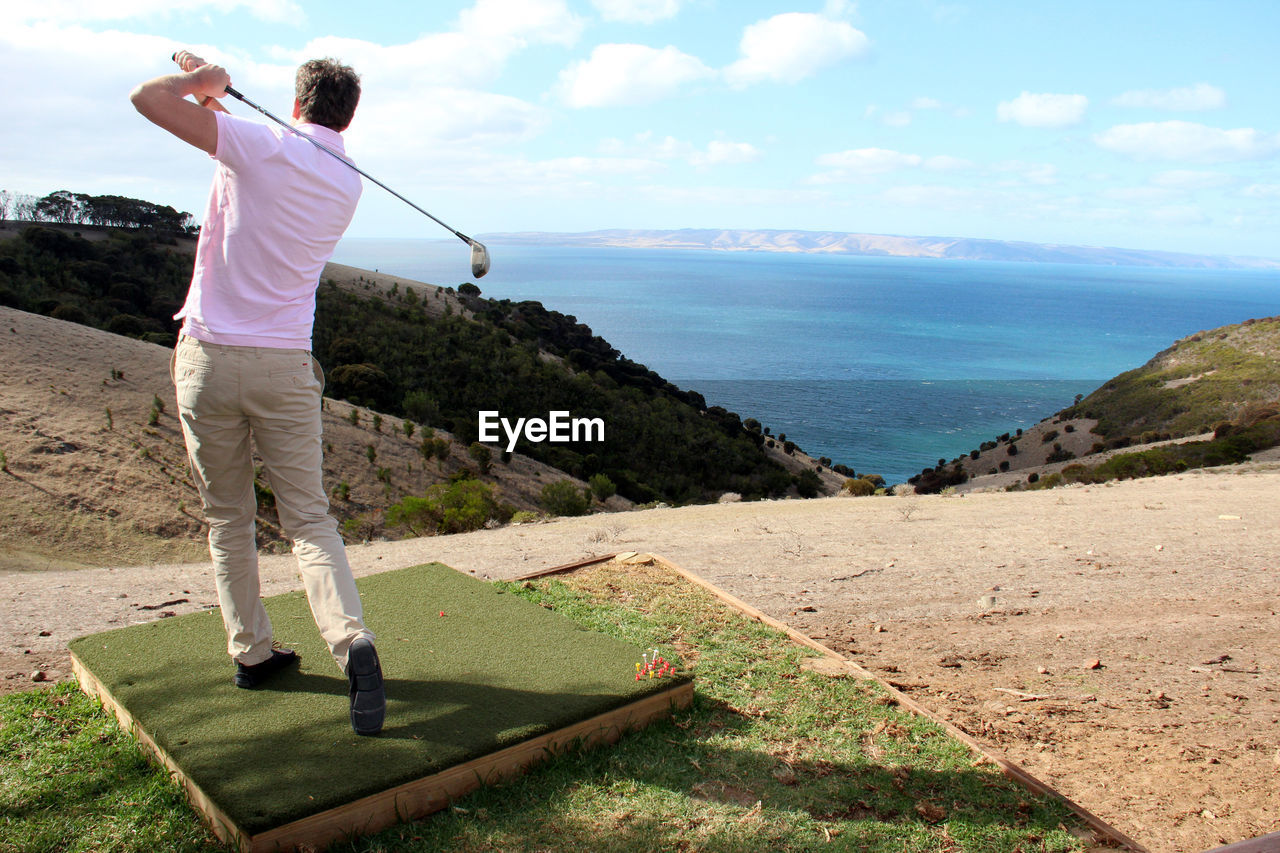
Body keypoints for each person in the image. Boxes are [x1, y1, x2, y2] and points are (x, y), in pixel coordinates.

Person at [130, 51, 385, 736]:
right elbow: (257, 152)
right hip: (284, 368)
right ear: (346, 116)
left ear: (295, 103)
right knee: (309, 519)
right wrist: (217, 100)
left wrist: (197, 82)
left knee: (228, 518)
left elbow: (147, 99)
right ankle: (352, 642)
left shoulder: (258, 145)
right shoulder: (346, 180)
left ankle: (252, 652)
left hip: (209, 361)